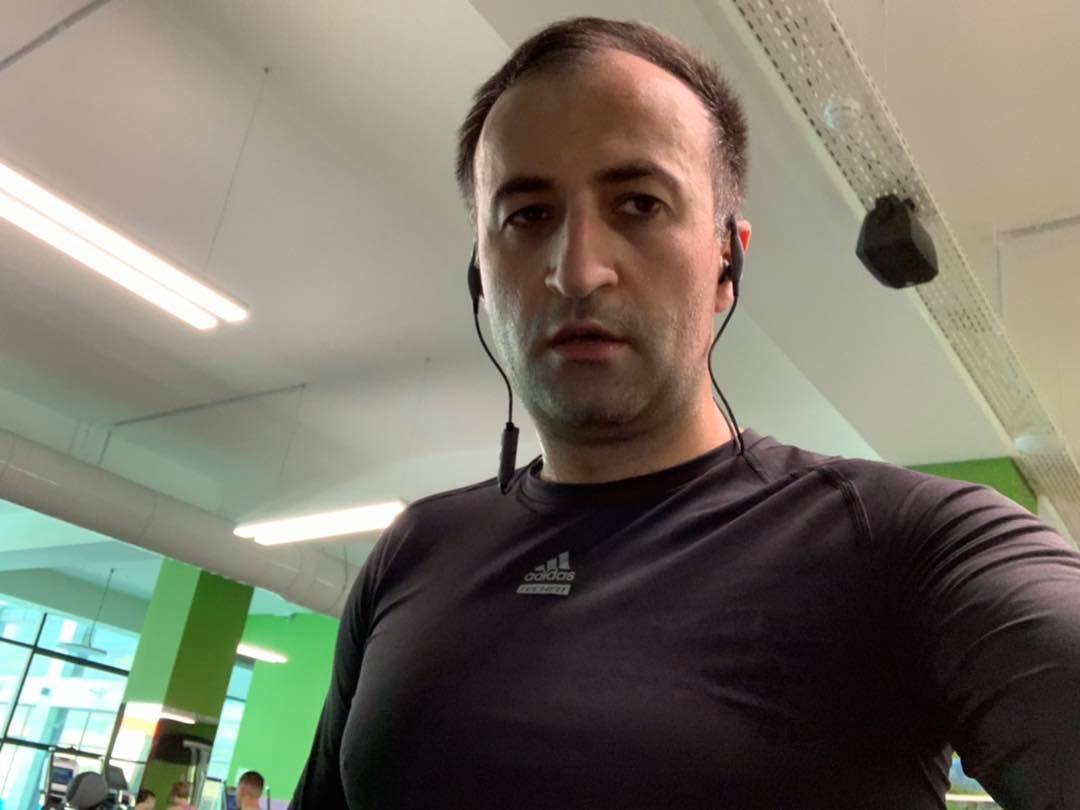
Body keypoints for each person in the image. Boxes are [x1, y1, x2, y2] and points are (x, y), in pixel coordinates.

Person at [291, 15, 1080, 810]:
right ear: (480, 277)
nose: (577, 272)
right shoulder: (413, 550)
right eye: (527, 214)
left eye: (639, 203)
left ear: (726, 261)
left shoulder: (911, 540)